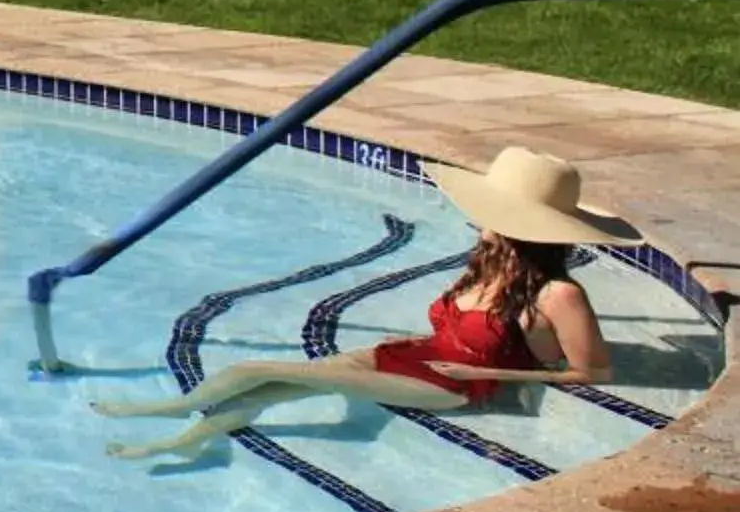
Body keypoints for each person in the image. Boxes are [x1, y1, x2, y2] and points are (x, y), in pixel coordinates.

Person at [94, 146, 629, 460]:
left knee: (257, 369)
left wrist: (498, 376)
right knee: (279, 387)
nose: (481, 220)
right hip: (414, 356)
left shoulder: (559, 294)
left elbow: (594, 371)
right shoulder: (490, 264)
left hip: (452, 385)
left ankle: (167, 411)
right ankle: (189, 439)